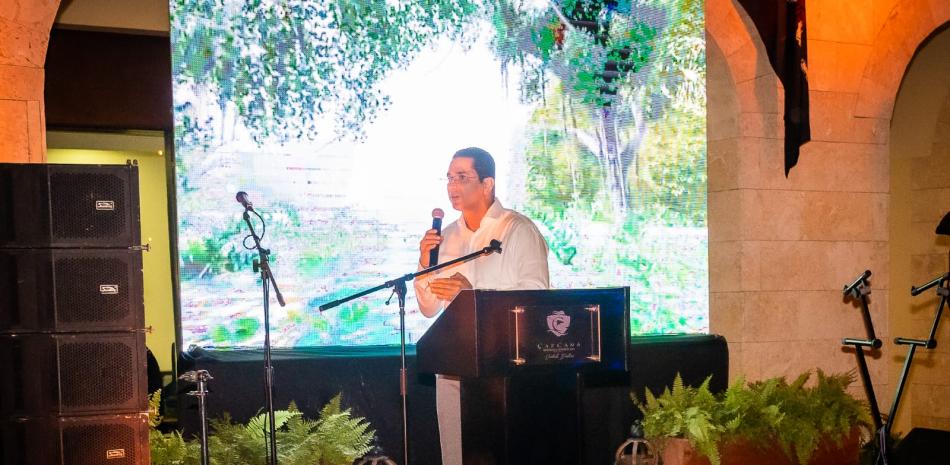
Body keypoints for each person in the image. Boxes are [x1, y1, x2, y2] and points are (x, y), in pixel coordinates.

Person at [414, 147, 550, 465]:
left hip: (505, 365)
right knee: (455, 455)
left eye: (462, 177)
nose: (453, 185)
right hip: (453, 363)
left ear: (487, 184)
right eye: (449, 178)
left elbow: (536, 296)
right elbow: (429, 307)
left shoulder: (517, 229)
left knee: (501, 452)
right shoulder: (446, 237)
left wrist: (473, 294)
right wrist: (424, 263)